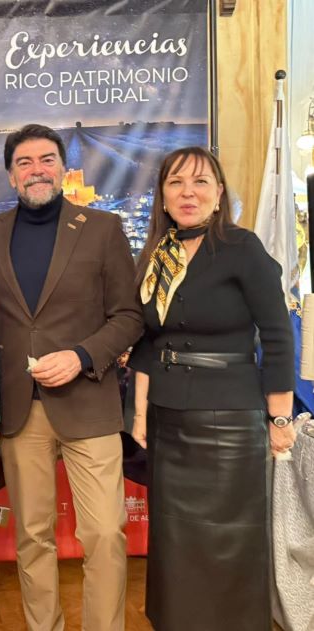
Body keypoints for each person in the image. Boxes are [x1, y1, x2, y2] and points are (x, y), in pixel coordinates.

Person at [0, 124, 143, 631]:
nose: (36, 170)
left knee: (104, 533)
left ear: (63, 169)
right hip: (19, 409)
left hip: (89, 403)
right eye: (24, 162)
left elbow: (129, 316)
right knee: (33, 536)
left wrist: (82, 356)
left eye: (46, 159)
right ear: (10, 175)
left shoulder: (102, 228)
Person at [128, 146, 295, 631]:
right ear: (162, 196)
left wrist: (279, 418)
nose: (188, 193)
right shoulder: (156, 256)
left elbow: (278, 337)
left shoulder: (243, 248)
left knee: (230, 542)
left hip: (230, 419)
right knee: (174, 545)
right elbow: (149, 339)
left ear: (219, 195)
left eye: (201, 182)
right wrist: (138, 412)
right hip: (167, 417)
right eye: (176, 183)